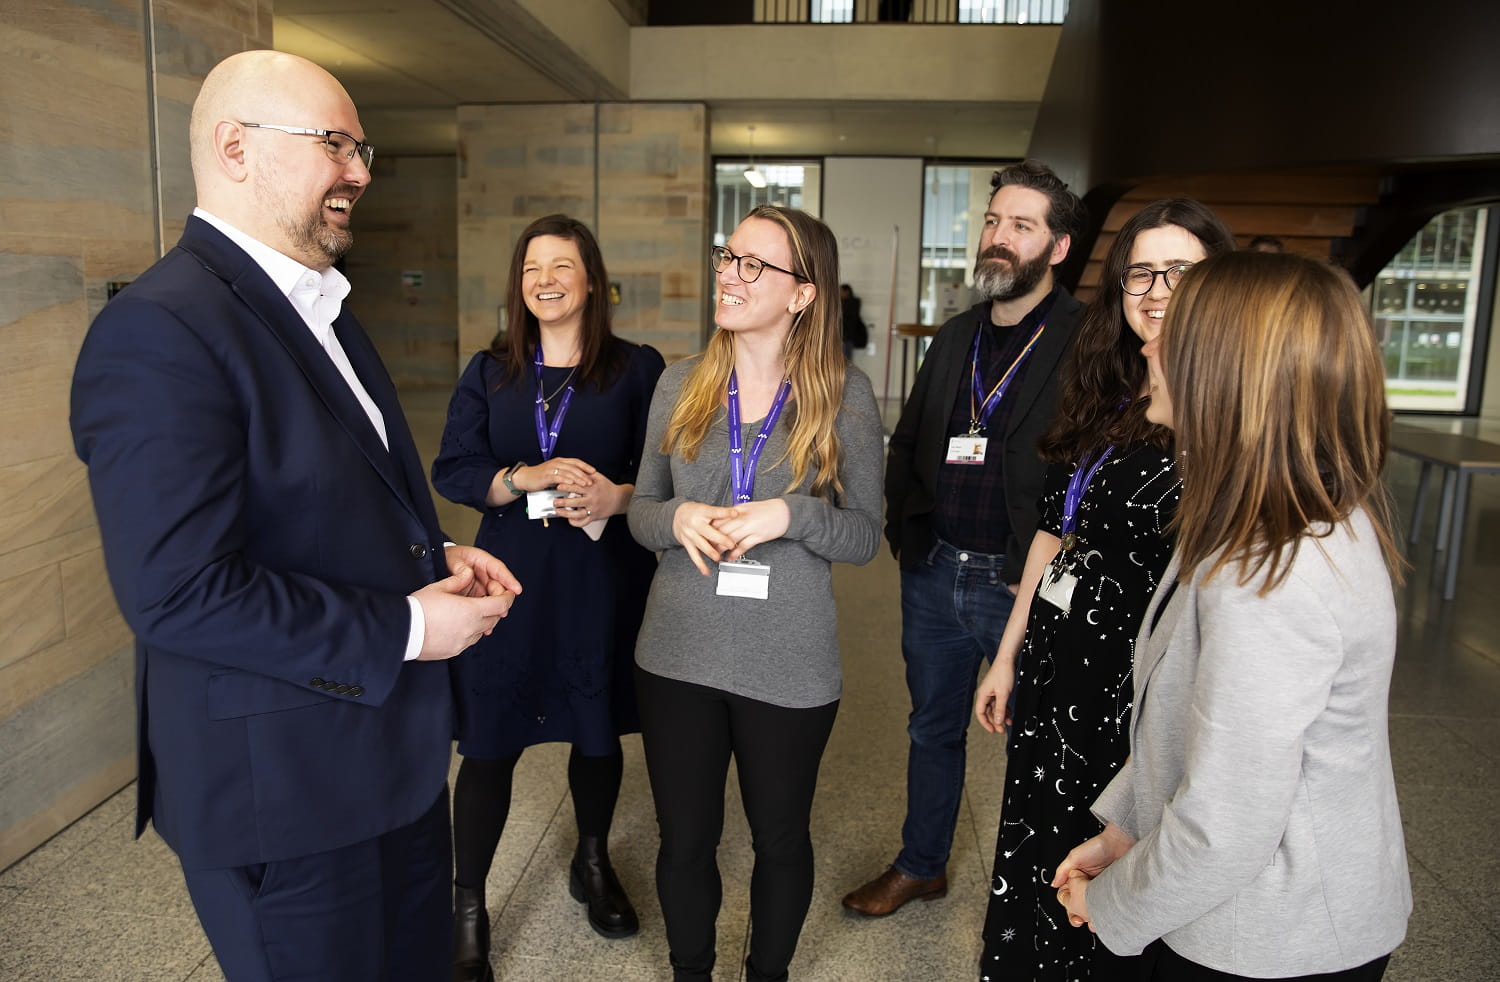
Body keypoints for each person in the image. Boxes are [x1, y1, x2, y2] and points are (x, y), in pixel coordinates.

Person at [69, 51, 522, 981]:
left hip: (386, 764)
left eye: (362, 148)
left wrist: (428, 553)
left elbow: (314, 499)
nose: (359, 170)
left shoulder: (321, 308)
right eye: (335, 144)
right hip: (284, 796)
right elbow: (179, 592)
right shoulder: (160, 329)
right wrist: (409, 623)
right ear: (235, 148)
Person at [1053, 251, 1412, 980]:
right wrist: (1128, 831)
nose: (1147, 343)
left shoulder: (1271, 572)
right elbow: (1192, 725)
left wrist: (1114, 903)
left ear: (1227, 370)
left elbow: (1229, 825)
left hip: (1276, 934)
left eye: (1174, 334)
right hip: (1254, 908)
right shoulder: (1256, 518)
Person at [972, 200, 1235, 981]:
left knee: (1108, 858)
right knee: (1035, 843)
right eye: (1139, 274)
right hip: (1057, 671)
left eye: (1179, 272)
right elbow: (1054, 536)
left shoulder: (1225, 420)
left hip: (1137, 691)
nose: (1154, 290)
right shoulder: (1108, 398)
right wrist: (1007, 655)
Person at [628, 205, 884, 981]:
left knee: (779, 837)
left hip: (791, 663)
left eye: (753, 266)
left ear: (803, 294)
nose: (729, 276)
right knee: (685, 839)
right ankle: (691, 972)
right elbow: (640, 514)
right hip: (676, 653)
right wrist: (678, 517)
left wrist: (793, 513)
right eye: (728, 256)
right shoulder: (680, 384)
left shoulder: (845, 397)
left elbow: (866, 536)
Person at [844, 160, 1087, 917]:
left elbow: (1090, 472)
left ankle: (1038, 894)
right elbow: (909, 442)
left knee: (1038, 747)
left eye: (1021, 226)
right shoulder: (954, 337)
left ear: (1058, 248)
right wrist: (904, 535)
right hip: (936, 572)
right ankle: (922, 865)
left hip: (1025, 584)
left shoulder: (1088, 342)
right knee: (931, 728)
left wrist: (1046, 571)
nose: (999, 238)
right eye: (992, 222)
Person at [432, 214, 665, 978]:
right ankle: (469, 908)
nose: (546, 279)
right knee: (490, 740)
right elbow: (455, 468)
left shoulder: (635, 369)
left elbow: (666, 478)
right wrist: (519, 478)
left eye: (562, 265)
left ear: (592, 279)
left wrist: (614, 498)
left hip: (599, 577)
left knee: (596, 731)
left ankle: (591, 863)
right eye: (533, 267)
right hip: (509, 578)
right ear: (518, 283)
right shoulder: (491, 370)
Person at [840, 283, 868, 361]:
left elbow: (847, 320)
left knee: (845, 361)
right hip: (845, 337)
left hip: (846, 337)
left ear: (847, 291)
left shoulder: (850, 304)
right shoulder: (849, 303)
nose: (839, 293)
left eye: (841, 291)